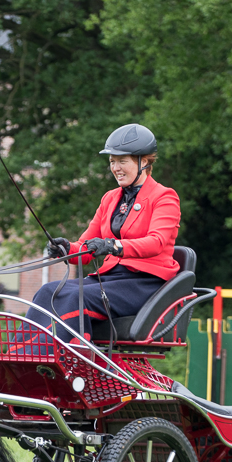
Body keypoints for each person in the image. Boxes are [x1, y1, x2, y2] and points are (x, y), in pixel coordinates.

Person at [26, 123, 181, 343]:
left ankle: (68, 360)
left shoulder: (164, 197)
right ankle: (22, 357)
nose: (115, 167)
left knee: (75, 297)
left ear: (144, 161)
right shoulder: (110, 198)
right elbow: (86, 248)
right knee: (47, 291)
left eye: (122, 161)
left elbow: (156, 242)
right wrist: (66, 248)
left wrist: (114, 246)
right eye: (112, 161)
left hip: (144, 284)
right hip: (110, 279)